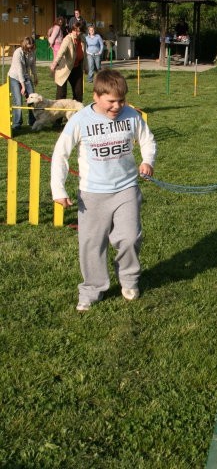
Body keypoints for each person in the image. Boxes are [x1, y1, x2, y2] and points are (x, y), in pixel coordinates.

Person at [50, 69, 157, 312]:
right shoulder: (80, 120)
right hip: (92, 194)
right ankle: (92, 290)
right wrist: (58, 188)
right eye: (111, 101)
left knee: (130, 237)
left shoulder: (131, 116)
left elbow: (148, 140)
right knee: (92, 244)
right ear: (96, 96)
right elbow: (61, 154)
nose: (117, 106)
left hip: (126, 189)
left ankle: (129, 280)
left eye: (121, 100)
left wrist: (147, 160)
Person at [50, 22, 87, 102]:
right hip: (64, 68)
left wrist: (85, 67)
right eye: (74, 30)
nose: (76, 33)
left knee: (78, 94)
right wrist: (55, 62)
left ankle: (77, 113)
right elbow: (61, 52)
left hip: (76, 68)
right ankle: (59, 114)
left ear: (82, 32)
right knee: (61, 95)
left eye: (78, 31)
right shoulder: (67, 39)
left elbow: (85, 55)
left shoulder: (83, 39)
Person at [8, 36, 38, 131]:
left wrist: (35, 76)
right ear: (24, 45)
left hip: (25, 76)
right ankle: (17, 124)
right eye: (28, 47)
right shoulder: (18, 53)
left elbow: (33, 65)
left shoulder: (32, 52)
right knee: (18, 100)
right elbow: (19, 70)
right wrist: (23, 87)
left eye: (32, 47)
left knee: (32, 98)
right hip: (15, 77)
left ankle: (32, 121)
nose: (30, 49)